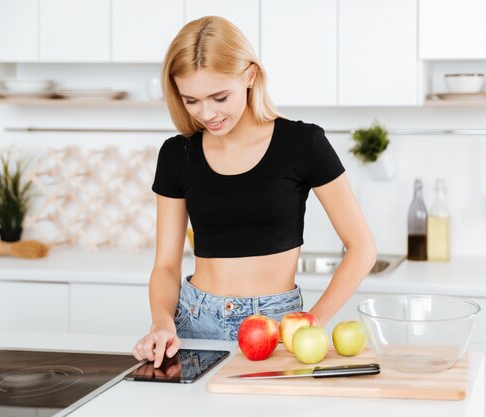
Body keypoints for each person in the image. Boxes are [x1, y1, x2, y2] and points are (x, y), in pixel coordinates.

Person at [132, 16, 376, 368]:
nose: (207, 113)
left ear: (249, 76)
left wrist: (314, 321)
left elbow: (363, 247)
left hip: (279, 325)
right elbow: (167, 265)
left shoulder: (303, 143)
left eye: (219, 97)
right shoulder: (176, 154)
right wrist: (161, 321)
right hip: (195, 320)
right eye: (191, 100)